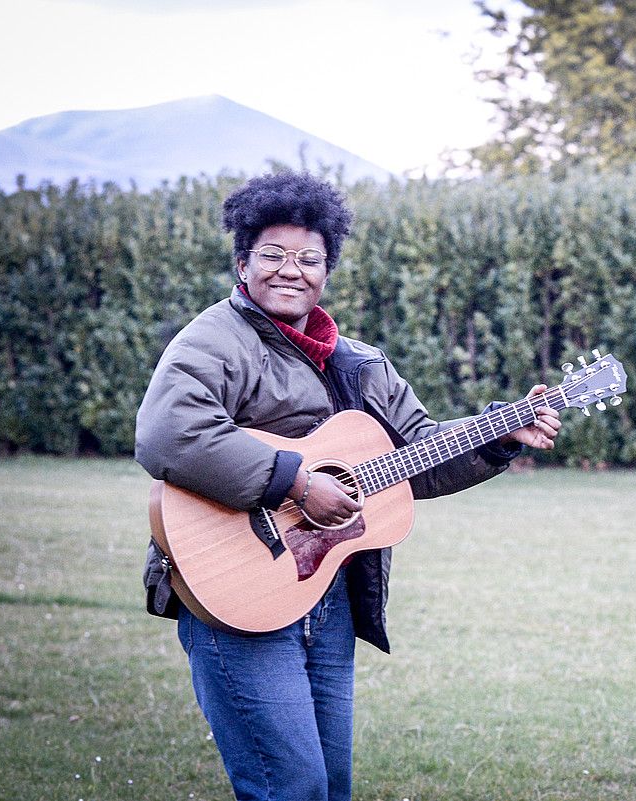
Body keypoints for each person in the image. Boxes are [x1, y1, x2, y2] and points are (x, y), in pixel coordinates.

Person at [135, 171, 561, 801]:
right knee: (292, 787)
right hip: (232, 589)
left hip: (324, 595)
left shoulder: (356, 362)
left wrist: (500, 436)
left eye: (309, 259)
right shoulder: (214, 339)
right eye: (273, 255)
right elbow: (169, 434)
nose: (291, 271)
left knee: (330, 788)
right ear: (242, 261)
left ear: (327, 270)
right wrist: (297, 482)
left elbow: (420, 453)